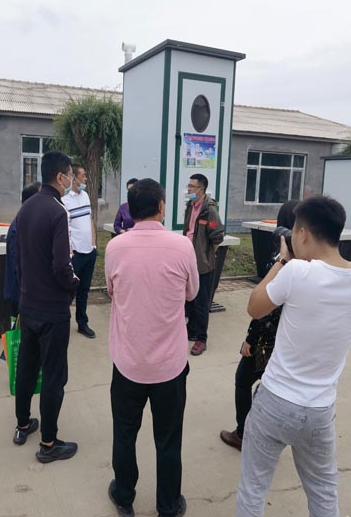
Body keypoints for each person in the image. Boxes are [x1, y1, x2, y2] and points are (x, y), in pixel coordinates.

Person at [236, 196, 351, 517]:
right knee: (324, 490)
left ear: (302, 234)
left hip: (275, 401)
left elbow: (255, 306)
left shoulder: (297, 272)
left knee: (254, 488)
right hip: (320, 409)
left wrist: (282, 260)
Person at [105, 178, 199, 517]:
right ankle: (168, 506)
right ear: (161, 207)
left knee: (124, 434)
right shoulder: (182, 246)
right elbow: (192, 292)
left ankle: (124, 496)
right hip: (169, 367)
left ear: (130, 210)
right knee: (168, 440)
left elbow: (112, 291)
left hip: (128, 363)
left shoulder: (115, 247)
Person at [13, 150, 80, 463]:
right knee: (54, 376)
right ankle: (49, 444)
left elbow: (19, 258)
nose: (72, 180)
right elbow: (61, 265)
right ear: (60, 176)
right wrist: (74, 286)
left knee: (27, 367)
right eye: (70, 175)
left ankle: (23, 424)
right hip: (52, 309)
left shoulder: (25, 208)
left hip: (28, 304)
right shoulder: (58, 211)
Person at [220, 200, 298, 451]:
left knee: (244, 380)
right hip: (289, 338)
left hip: (267, 339)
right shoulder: (309, 262)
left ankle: (244, 433)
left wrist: (250, 339)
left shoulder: (282, 261)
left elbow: (264, 307)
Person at [183, 173, 224, 355]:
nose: (189, 189)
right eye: (189, 186)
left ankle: (201, 339)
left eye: (191, 186)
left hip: (203, 264)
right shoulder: (190, 206)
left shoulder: (209, 210)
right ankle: (191, 330)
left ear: (201, 189)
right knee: (189, 299)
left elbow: (217, 237)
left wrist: (206, 256)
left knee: (201, 303)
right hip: (188, 259)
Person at [62, 164, 98, 339]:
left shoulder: (86, 196)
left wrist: (94, 245)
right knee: (68, 290)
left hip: (89, 252)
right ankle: (62, 323)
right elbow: (65, 229)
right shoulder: (65, 201)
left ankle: (82, 323)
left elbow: (89, 220)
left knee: (84, 290)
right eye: (83, 176)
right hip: (75, 254)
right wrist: (70, 252)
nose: (85, 179)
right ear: (74, 178)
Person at [3, 181, 41, 318]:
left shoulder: (30, 222)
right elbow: (18, 267)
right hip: (21, 296)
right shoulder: (18, 227)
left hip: (29, 294)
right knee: (19, 330)